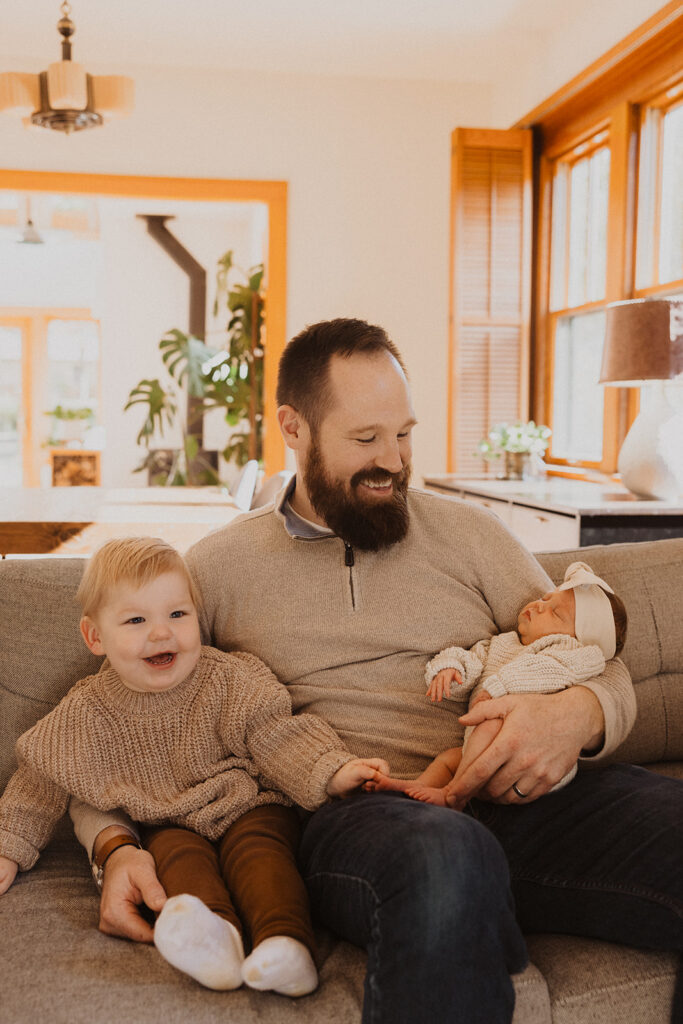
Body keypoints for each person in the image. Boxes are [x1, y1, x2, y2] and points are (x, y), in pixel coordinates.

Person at [69, 319, 683, 1024]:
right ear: (293, 429)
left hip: (527, 798)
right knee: (446, 860)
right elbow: (107, 719)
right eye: (365, 439)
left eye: (404, 434)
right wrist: (112, 847)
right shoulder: (215, 572)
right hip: (361, 818)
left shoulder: (472, 536)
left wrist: (578, 715)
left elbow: (591, 660)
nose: (392, 460)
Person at [0, 536, 388, 996]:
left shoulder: (227, 678)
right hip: (167, 823)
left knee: (261, 854)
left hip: (249, 805)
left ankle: (286, 945)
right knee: (177, 862)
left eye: (177, 615)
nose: (162, 633)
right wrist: (8, 846)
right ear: (95, 637)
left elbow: (278, 733)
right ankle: (214, 942)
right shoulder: (87, 710)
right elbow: (40, 778)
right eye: (137, 619)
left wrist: (332, 770)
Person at [368, 561, 628, 807]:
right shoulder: (504, 643)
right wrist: (451, 669)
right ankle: (419, 788)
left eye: (555, 613)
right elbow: (474, 657)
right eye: (546, 598)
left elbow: (542, 672)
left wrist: (496, 688)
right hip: (482, 749)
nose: (539, 605)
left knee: (490, 723)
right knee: (448, 759)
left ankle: (453, 794)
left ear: (580, 637)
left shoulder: (570, 651)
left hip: (534, 762)